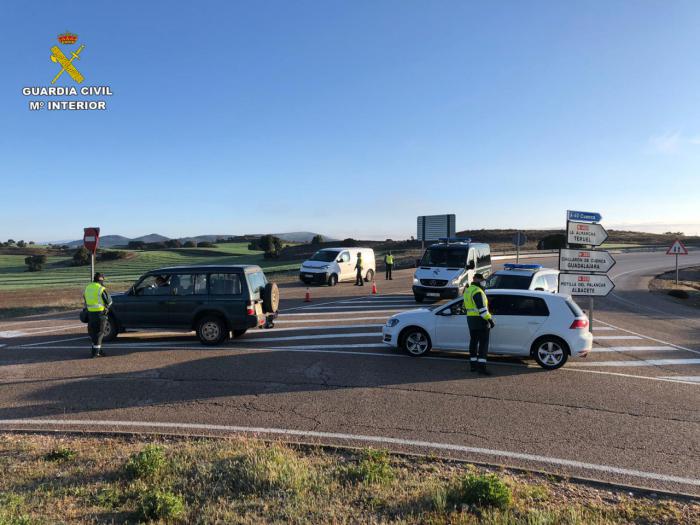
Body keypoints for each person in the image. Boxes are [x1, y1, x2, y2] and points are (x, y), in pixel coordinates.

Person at [464, 273, 495, 375]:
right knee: (483, 344)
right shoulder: (478, 291)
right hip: (481, 320)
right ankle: (481, 368)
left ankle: (473, 366)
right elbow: (482, 310)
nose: (483, 282)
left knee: (473, 342)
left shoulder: (468, 290)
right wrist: (490, 320)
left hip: (471, 320)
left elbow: (467, 306)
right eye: (481, 280)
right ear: (476, 279)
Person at [83, 272, 112, 358]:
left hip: (90, 313)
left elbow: (85, 298)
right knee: (100, 333)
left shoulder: (88, 287)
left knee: (93, 332)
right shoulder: (100, 288)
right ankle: (96, 352)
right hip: (100, 313)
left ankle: (96, 350)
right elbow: (109, 301)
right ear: (101, 279)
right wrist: (107, 307)